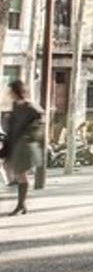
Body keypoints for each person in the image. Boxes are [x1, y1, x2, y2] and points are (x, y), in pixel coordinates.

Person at [2, 80, 44, 216]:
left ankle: (21, 204)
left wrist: (29, 136)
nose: (9, 94)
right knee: (18, 174)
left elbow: (40, 120)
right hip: (15, 144)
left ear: (16, 91)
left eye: (11, 91)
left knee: (21, 175)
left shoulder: (30, 106)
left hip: (24, 145)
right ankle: (22, 205)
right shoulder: (16, 106)